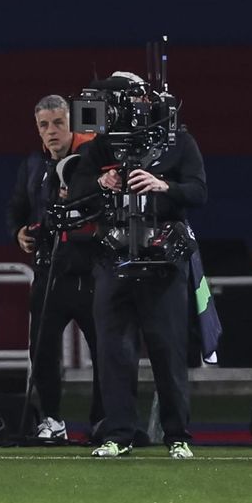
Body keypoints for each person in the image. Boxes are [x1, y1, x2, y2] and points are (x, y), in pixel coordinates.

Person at [66, 73, 208, 459]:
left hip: (164, 261)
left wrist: (164, 186)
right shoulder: (101, 146)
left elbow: (199, 191)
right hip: (113, 257)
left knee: (168, 350)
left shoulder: (178, 141)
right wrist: (102, 181)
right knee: (114, 352)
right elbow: (76, 191)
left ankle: (177, 435)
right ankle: (118, 434)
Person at [7, 95, 103, 443]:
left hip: (91, 271)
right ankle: (52, 419)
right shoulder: (33, 164)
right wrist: (18, 232)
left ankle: (102, 420)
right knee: (42, 350)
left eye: (58, 123)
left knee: (103, 350)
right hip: (50, 272)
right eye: (44, 125)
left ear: (72, 124)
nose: (51, 132)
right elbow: (17, 207)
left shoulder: (94, 159)